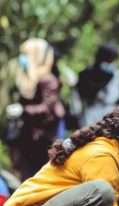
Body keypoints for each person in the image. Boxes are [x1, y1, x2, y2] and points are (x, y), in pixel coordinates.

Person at [7, 38, 65, 181]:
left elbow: (48, 108)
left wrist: (23, 110)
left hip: (42, 140)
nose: (22, 58)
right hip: (28, 138)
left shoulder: (47, 79)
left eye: (26, 54)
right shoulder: (29, 78)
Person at [76, 43, 119, 127]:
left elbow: (114, 96)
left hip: (108, 115)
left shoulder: (114, 74)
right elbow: (79, 98)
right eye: (110, 60)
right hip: (89, 116)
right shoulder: (86, 75)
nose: (111, 63)